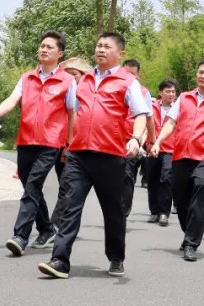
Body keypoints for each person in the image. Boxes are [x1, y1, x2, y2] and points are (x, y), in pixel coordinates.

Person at [37, 33, 151, 280]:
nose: (101, 49)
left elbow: (141, 113)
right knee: (70, 206)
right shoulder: (85, 79)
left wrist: (135, 138)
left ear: (120, 53)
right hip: (79, 155)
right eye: (98, 45)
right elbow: (75, 113)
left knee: (113, 211)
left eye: (107, 46)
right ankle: (60, 260)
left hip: (110, 155)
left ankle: (116, 256)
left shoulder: (127, 81)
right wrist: (68, 143)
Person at [0, 31, 77, 257]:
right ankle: (47, 229)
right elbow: (12, 99)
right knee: (30, 186)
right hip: (25, 140)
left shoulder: (67, 81)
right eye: (42, 46)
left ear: (60, 53)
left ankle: (20, 236)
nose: (44, 49)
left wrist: (69, 143)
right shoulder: (27, 78)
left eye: (49, 47)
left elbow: (72, 113)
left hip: (51, 143)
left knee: (33, 185)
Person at [151, 59, 204, 263]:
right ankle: (188, 232)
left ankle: (191, 243)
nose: (202, 76)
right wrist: (158, 142)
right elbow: (171, 122)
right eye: (200, 72)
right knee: (181, 200)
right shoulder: (184, 97)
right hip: (180, 155)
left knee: (199, 192)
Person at [49, 57, 91, 232]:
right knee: (66, 187)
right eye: (68, 74)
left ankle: (54, 226)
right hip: (59, 144)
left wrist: (71, 144)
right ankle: (67, 225)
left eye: (74, 74)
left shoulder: (89, 95)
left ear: (83, 75)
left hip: (77, 147)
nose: (71, 78)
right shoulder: (62, 92)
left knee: (67, 186)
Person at [120, 59, 155, 220]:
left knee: (127, 175)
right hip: (111, 139)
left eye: (132, 74)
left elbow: (149, 118)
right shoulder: (113, 86)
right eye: (126, 72)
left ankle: (123, 212)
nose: (128, 76)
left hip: (131, 140)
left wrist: (151, 141)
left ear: (138, 75)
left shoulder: (143, 92)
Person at [145, 79, 178, 227]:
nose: (171, 94)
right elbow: (145, 125)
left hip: (170, 149)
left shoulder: (178, 109)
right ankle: (154, 211)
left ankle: (164, 212)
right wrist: (147, 143)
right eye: (168, 91)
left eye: (173, 92)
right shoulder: (151, 107)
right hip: (152, 148)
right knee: (152, 180)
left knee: (166, 179)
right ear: (160, 93)